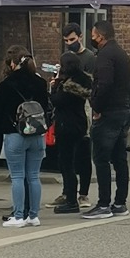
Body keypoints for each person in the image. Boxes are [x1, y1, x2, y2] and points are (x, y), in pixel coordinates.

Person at [82, 19, 130, 218]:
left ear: (101, 36)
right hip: (123, 109)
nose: (92, 39)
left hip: (109, 112)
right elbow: (129, 82)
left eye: (93, 36)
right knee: (120, 159)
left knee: (101, 158)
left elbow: (104, 84)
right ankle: (120, 202)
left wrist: (96, 107)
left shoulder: (104, 56)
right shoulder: (121, 53)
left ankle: (103, 203)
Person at [0, 49, 51, 228]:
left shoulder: (6, 85)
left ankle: (18, 216)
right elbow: (48, 109)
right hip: (37, 134)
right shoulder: (41, 83)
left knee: (18, 176)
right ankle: (33, 215)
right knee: (34, 176)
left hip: (15, 134)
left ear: (14, 64)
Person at [51, 27, 93, 214]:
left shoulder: (67, 86)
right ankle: (76, 194)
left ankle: (71, 198)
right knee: (82, 158)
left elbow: (56, 102)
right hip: (81, 123)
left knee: (67, 163)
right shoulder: (84, 81)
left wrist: (53, 87)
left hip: (67, 126)